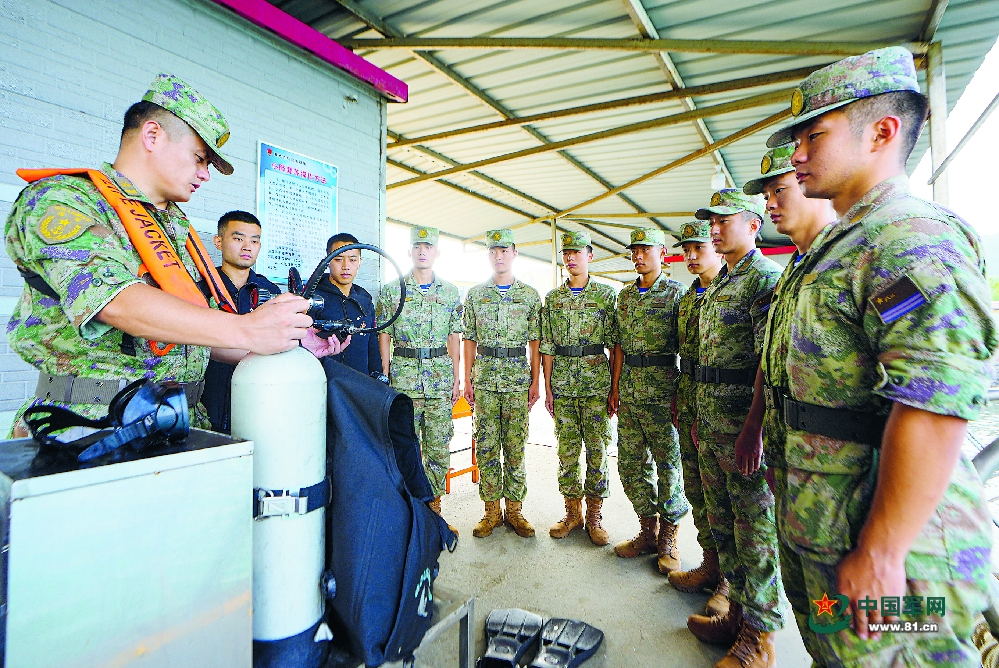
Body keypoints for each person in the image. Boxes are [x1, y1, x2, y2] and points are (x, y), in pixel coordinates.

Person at [764, 46, 995, 666]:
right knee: (834, 653)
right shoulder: (846, 244)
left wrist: (883, 549)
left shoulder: (911, 239)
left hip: (898, 559)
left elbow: (934, 402)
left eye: (814, 136)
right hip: (828, 529)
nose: (797, 155)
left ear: (882, 132)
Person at [4, 73, 313, 437]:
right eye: (199, 159)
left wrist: (288, 341)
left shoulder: (174, 227)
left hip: (179, 422)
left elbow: (195, 332)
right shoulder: (63, 199)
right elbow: (113, 300)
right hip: (91, 426)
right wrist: (247, 329)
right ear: (152, 135)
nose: (205, 175)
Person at [736, 143, 838, 667]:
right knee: (815, 611)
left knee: (847, 624)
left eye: (781, 189)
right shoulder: (796, 270)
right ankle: (759, 631)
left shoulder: (865, 253)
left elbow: (927, 400)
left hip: (842, 484)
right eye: (767, 195)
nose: (771, 203)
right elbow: (770, 361)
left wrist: (888, 538)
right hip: (793, 462)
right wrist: (757, 426)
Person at [684, 189, 785, 668]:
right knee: (724, 528)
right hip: (712, 424)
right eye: (712, 222)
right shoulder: (722, 281)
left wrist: (754, 429)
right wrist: (701, 420)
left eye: (724, 220)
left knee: (754, 534)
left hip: (743, 431)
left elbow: (768, 362)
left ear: (753, 224)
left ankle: (760, 640)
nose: (715, 229)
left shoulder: (764, 279)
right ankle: (737, 615)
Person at [608, 228, 689, 572]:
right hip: (630, 391)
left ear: (662, 252)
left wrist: (681, 394)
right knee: (629, 465)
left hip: (663, 391)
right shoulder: (625, 296)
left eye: (645, 250)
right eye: (634, 251)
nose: (638, 256)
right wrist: (614, 388)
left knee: (669, 466)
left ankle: (668, 537)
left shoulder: (677, 293)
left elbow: (688, 346)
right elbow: (618, 346)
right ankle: (647, 530)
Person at [376, 226, 463, 535]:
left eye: (428, 246)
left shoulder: (450, 292)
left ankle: (434, 512)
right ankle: (410, 512)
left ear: (437, 252)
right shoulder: (392, 290)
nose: (422, 251)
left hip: (439, 381)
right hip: (404, 380)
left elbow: (454, 337)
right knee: (405, 447)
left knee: (438, 447)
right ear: (409, 252)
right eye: (417, 246)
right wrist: (385, 375)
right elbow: (384, 334)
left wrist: (456, 379)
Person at [667, 221, 730, 612]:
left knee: (727, 497)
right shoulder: (688, 298)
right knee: (696, 486)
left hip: (725, 406)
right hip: (690, 396)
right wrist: (679, 397)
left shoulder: (734, 288)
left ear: (717, 247)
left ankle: (730, 581)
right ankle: (710, 564)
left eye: (698, 248)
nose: (690, 256)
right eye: (685, 250)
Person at [462, 229, 541, 539]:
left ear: (514, 253)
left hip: (518, 380)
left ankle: (515, 510)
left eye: (504, 250)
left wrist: (535, 382)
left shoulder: (529, 296)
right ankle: (491, 511)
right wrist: (468, 379)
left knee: (516, 446)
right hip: (485, 379)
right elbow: (469, 340)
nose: (499, 256)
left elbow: (535, 342)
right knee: (486, 446)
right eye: (493, 251)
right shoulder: (476, 295)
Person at [540, 230, 617, 546]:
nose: (570, 258)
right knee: (567, 450)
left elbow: (615, 345)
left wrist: (614, 388)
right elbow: (547, 346)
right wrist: (547, 388)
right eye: (566, 253)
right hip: (563, 385)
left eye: (577, 252)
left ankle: (595, 517)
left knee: (597, 450)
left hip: (596, 385)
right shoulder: (553, 299)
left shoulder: (605, 296)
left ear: (590, 256)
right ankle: (572, 514)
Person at [197, 210, 282, 433]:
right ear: (218, 242)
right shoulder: (201, 287)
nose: (247, 247)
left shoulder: (270, 291)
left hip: (257, 403)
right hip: (205, 405)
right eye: (238, 239)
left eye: (254, 241)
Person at [313, 232, 382, 377]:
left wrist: (377, 377)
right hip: (324, 382)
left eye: (352, 260)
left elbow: (373, 348)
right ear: (327, 261)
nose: (345, 266)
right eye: (338, 259)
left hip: (360, 383)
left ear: (359, 262)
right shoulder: (313, 298)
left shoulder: (365, 300)